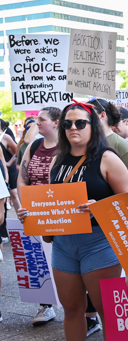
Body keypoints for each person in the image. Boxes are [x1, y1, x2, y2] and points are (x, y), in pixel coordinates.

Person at [17, 100, 128, 341]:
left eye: (81, 123)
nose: (73, 128)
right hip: (63, 245)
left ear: (94, 126)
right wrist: (32, 214)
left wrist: (100, 207)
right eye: (67, 124)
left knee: (106, 311)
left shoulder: (108, 159)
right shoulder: (58, 159)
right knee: (71, 309)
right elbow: (52, 201)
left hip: (99, 243)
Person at [16, 107, 61, 327]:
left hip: (59, 214)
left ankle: (86, 313)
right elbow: (23, 178)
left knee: (64, 262)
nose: (37, 123)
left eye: (41, 120)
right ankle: (46, 305)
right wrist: (27, 204)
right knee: (39, 260)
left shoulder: (68, 148)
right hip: (36, 213)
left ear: (56, 123)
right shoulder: (34, 146)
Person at [88, 98, 128, 177]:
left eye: (90, 113)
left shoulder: (119, 143)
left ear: (102, 115)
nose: (86, 116)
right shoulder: (86, 140)